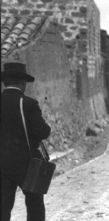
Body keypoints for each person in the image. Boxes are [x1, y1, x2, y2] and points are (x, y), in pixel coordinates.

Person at [1, 62, 51, 221]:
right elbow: (43, 131)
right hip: (28, 165)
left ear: (4, 82)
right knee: (35, 206)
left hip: (1, 165)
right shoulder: (28, 104)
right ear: (22, 83)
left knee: (3, 208)